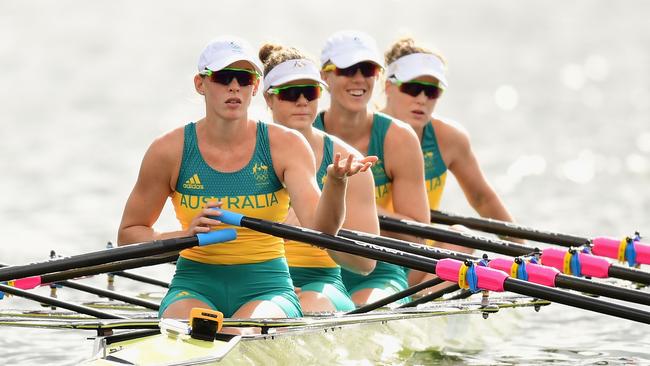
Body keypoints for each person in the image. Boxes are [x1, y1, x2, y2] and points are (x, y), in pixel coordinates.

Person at [117, 36, 374, 322]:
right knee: (190, 328)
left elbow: (321, 231)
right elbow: (128, 234)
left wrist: (336, 183)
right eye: (224, 77)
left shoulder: (285, 145)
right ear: (200, 84)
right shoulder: (168, 150)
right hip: (194, 284)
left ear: (255, 87)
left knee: (242, 331)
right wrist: (183, 237)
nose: (234, 86)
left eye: (244, 78)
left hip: (266, 287)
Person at [380, 37, 520, 287]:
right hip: (366, 251)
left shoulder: (449, 139)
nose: (422, 99)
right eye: (412, 88)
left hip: (417, 253)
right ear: (388, 86)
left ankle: (421, 310)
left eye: (432, 91)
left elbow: (482, 199)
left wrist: (521, 253)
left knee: (462, 238)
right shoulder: (362, 136)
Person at [259, 43, 379, 313]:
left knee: (312, 304)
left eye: (310, 93)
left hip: (319, 283)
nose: (302, 101)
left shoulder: (348, 161)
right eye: (290, 93)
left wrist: (319, 228)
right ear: (268, 98)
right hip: (255, 281)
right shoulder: (241, 151)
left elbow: (365, 264)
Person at [316, 30, 430, 306]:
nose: (358, 79)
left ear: (378, 75)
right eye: (347, 69)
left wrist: (358, 212)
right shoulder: (299, 136)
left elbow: (418, 237)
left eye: (367, 69)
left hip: (379, 267)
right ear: (325, 76)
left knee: (364, 307)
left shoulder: (399, 138)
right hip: (313, 267)